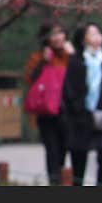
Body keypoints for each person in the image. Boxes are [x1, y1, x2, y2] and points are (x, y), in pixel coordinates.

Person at [23, 22, 73, 184]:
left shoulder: (69, 55)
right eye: (53, 34)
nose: (58, 37)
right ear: (46, 37)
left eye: (60, 33)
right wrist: (43, 62)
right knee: (51, 150)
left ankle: (61, 179)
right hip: (46, 112)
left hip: (67, 112)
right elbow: (30, 80)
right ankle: (54, 182)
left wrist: (74, 56)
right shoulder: (38, 57)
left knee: (64, 150)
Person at [61, 21, 102, 186]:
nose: (97, 37)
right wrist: (78, 109)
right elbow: (69, 91)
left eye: (98, 33)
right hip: (81, 117)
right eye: (92, 33)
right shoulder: (77, 61)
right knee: (79, 158)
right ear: (83, 39)